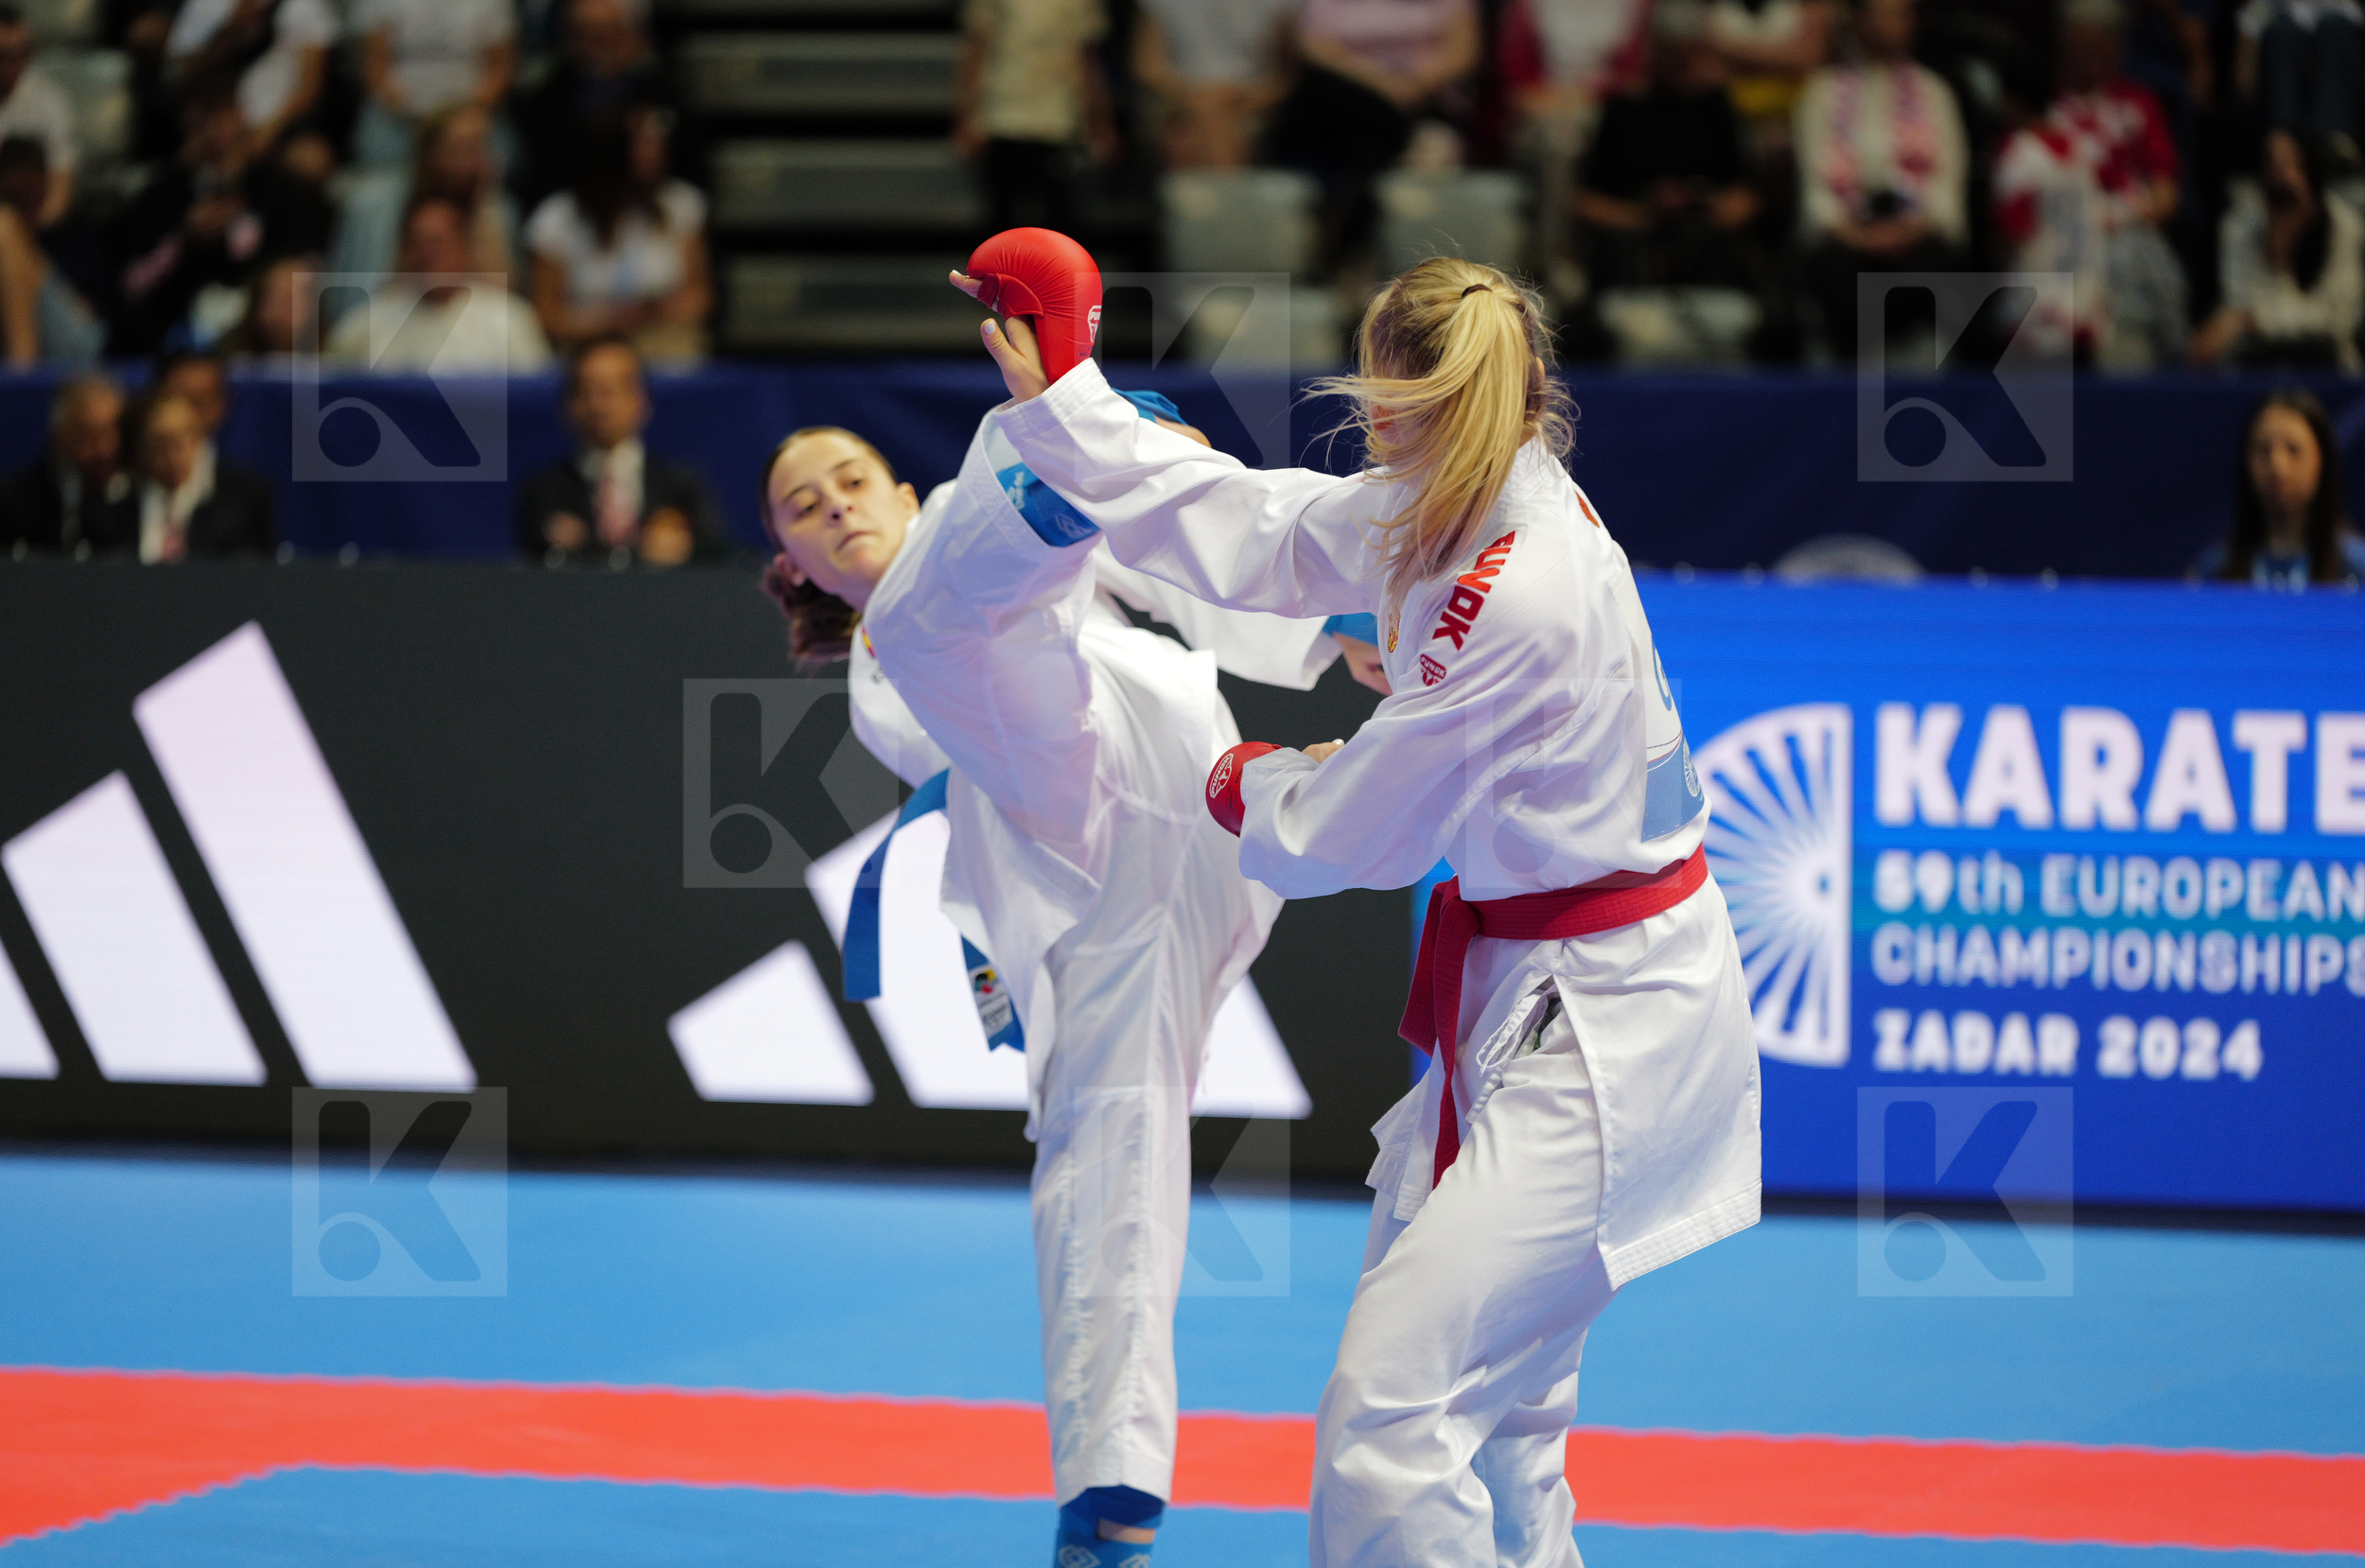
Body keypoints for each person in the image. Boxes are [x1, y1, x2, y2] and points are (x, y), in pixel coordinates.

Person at [964, 252, 1759, 1568]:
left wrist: (1240, 778)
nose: (1370, 433)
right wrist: (1069, 396)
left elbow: (1357, 833)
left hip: (1612, 1025)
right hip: (1550, 981)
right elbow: (1252, 524)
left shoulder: (1518, 585)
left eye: (1390, 408)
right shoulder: (1460, 497)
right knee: (1499, 1415)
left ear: (1448, 407)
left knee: (1391, 1408)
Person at [759, 345, 1341, 1562]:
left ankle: (1069, 453)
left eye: (852, 479)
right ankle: (1111, 1486)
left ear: (905, 493)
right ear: (795, 568)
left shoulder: (1003, 576)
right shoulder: (886, 670)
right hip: (1084, 847)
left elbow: (1191, 569)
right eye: (807, 511)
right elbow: (982, 710)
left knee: (1127, 526)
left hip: (1202, 800)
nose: (838, 507)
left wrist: (1333, 633)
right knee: (1112, 1152)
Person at [1572, 0, 1785, 359]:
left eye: (1690, 51)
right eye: (1673, 51)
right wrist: (1646, 214)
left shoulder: (1717, 108)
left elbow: (1747, 197)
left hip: (1707, 244)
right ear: (1654, 50)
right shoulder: (1622, 111)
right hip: (1634, 246)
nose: (1682, 61)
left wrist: (1701, 206)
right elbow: (1584, 201)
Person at [1991, 0, 2187, 367]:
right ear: (2064, 44)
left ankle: (2160, 358)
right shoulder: (2043, 110)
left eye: (2100, 44)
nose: (2090, 55)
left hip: (2128, 230)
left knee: (2137, 255)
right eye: (2080, 45)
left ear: (2117, 46)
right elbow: (2017, 212)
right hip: (2062, 241)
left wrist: (2121, 219)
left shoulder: (2138, 102)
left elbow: (2167, 194)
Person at [103, 70, 334, 357]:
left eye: (223, 116)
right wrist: (183, 238)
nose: (216, 134)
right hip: (171, 338)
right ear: (187, 124)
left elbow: (301, 267)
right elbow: (132, 286)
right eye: (204, 119)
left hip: (258, 338)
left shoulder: (280, 190)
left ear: (241, 116)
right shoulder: (160, 197)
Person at [1795, 0, 1971, 361]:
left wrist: (1904, 232)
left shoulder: (1935, 92)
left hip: (1916, 237)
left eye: (1905, 14)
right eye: (1886, 13)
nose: (1899, 24)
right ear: (1858, 20)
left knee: (1934, 271)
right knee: (1836, 275)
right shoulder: (1822, 92)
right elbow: (1816, 192)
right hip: (1847, 239)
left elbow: (1947, 188)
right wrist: (1860, 237)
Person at [1264, 0, 1483, 277]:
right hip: (1351, 104)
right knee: (1324, 94)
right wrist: (1384, 85)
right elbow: (1315, 49)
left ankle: (1344, 254)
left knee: (1364, 149)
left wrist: (1412, 83)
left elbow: (1463, 53)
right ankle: (1360, 260)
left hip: (1424, 100)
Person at [516, 335, 725, 566]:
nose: (598, 405)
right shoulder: (545, 490)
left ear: (641, 400)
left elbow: (717, 555)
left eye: (610, 391)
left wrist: (684, 547)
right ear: (568, 405)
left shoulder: (681, 485)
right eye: (586, 391)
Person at [523, 106, 710, 362]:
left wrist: (651, 314)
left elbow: (700, 296)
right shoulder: (556, 220)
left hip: (666, 347)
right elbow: (546, 315)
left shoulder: (681, 205)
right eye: (642, 144)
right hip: (583, 352)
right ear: (609, 153)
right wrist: (604, 321)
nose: (656, 151)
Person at [2192, 130, 2365, 370]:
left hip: (2328, 366)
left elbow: (2338, 323)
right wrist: (2277, 255)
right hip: (2258, 362)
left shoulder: (2345, 227)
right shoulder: (2239, 226)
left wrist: (2259, 318)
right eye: (2272, 163)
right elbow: (2237, 305)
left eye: (2292, 164)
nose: (2281, 176)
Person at [326, 197, 553, 372]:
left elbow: (534, 401)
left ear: (464, 248)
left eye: (438, 243)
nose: (428, 255)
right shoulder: (364, 326)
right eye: (418, 243)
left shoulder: (510, 320)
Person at [328, 103, 519, 307]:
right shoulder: (373, 206)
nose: (469, 161)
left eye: (478, 148)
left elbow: (502, 299)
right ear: (429, 152)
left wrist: (482, 205)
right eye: (459, 148)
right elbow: (355, 298)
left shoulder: (496, 208)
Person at [953, 0, 1117, 235]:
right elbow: (976, 49)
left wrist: (1101, 123)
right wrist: (967, 116)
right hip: (1003, 117)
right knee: (1002, 226)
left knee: (1061, 225)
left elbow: (1088, 59)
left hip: (1058, 119)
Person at [508, 0, 674, 215]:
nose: (597, 48)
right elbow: (542, 172)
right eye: (587, 36)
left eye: (606, 36)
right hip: (573, 203)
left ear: (628, 37)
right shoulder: (547, 100)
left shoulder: (657, 94)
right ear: (570, 40)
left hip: (644, 201)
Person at [2192, 388, 2365, 585]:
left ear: (2322, 460)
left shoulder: (2357, 570)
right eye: (2263, 450)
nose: (2277, 467)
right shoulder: (2214, 569)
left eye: (2294, 449)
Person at [1131, 0, 1293, 169]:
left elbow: (1284, 75)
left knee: (1212, 114)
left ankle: (1215, 186)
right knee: (1202, 117)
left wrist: (1246, 98)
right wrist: (1196, 95)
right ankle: (1229, 185)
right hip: (1180, 95)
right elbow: (1148, 66)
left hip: (1249, 98)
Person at [165, 0, 339, 157]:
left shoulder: (303, 7)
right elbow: (182, 75)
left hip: (279, 126)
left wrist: (265, 133)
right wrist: (233, 27)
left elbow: (310, 87)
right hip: (222, 114)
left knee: (310, 156)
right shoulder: (221, 8)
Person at [353, 0, 516, 168]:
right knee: (379, 156)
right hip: (400, 112)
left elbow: (498, 69)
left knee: (505, 159)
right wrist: (409, 108)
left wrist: (461, 117)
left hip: (468, 111)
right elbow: (375, 65)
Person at [129, 390, 276, 561]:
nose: (172, 457)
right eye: (160, 443)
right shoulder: (122, 504)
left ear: (199, 438)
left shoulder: (245, 501)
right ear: (142, 448)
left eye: (180, 441)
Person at [0, 374, 136, 555]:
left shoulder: (139, 497)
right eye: (88, 436)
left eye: (110, 431)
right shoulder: (16, 503)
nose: (104, 449)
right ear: (60, 437)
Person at [0, 135, 103, 366]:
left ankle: (20, 385)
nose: (18, 183)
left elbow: (105, 310)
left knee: (5, 228)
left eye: (29, 176)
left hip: (80, 354)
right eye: (9, 175)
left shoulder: (75, 237)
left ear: (45, 180)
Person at [0, 4, 77, 226]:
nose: (14, 65)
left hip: (36, 224)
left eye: (22, 53)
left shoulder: (49, 101)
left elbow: (61, 181)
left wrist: (33, 231)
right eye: (5, 56)